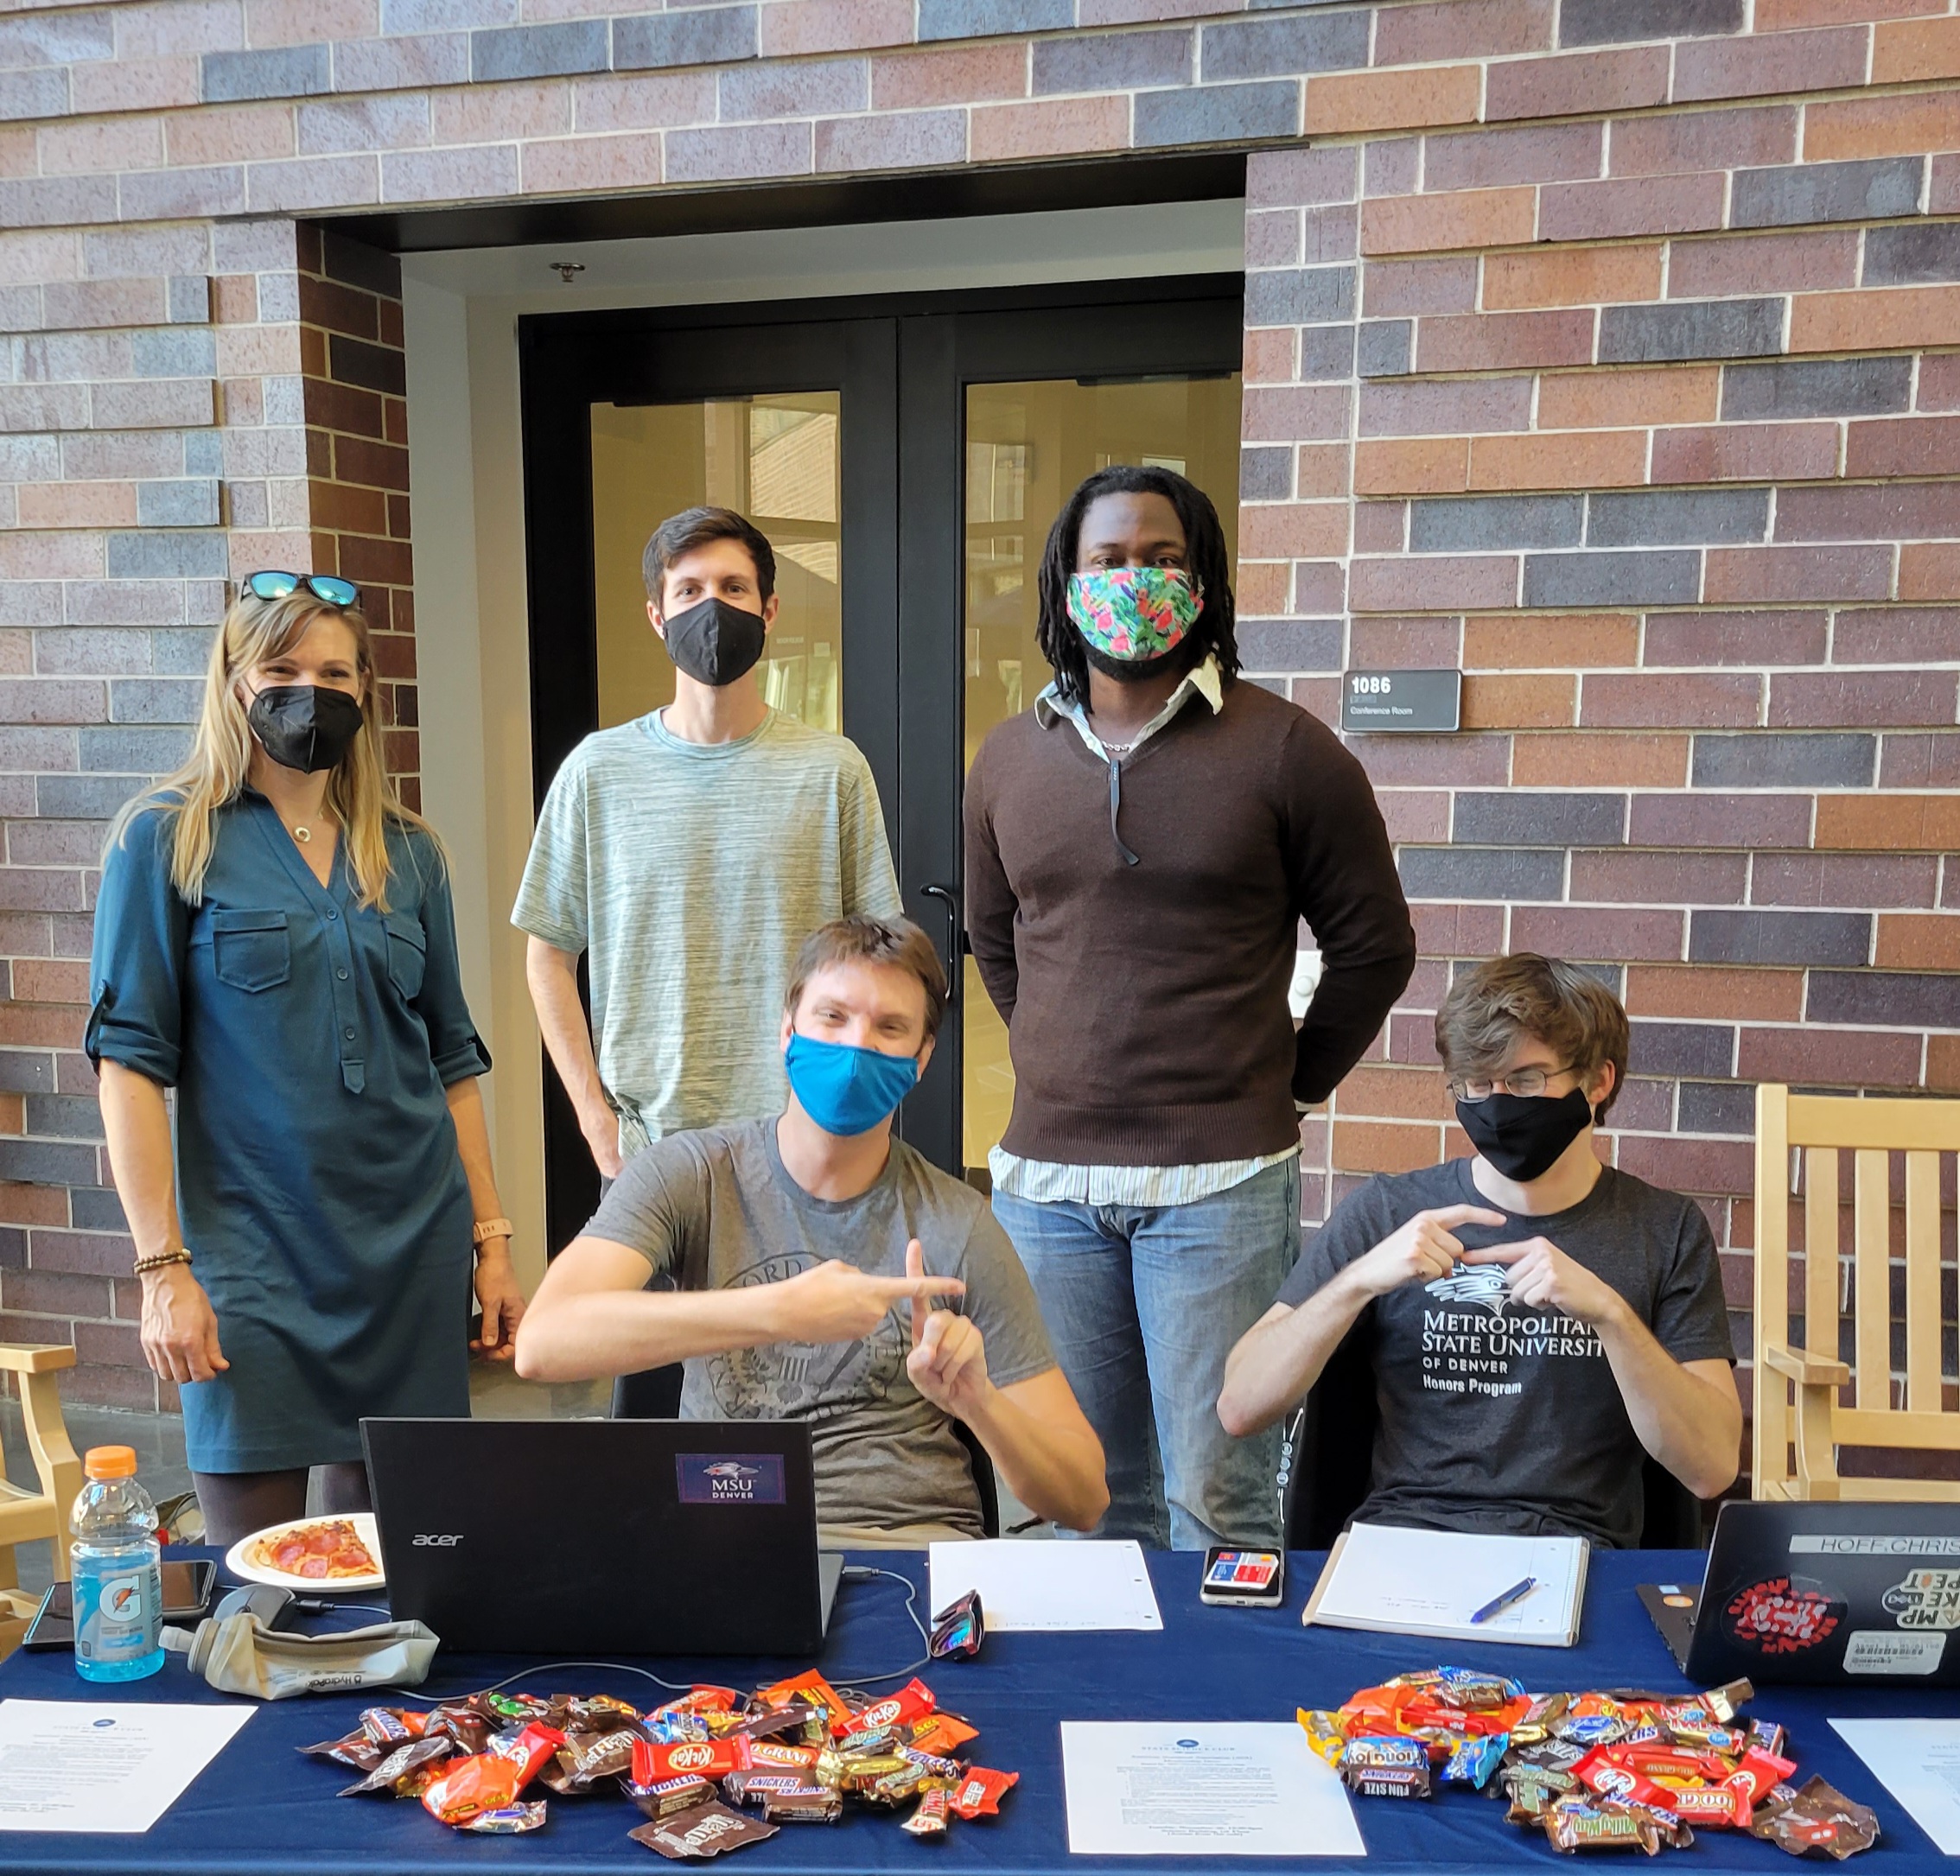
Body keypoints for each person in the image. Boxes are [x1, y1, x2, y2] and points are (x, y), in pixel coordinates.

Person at [964, 464, 1415, 1552]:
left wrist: (1289, 1080)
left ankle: (1220, 1724)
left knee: (1218, 1498)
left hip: (1220, 1187)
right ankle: (1098, 1715)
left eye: (1162, 559)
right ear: (1066, 585)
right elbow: (994, 938)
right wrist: (1059, 1056)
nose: (1135, 580)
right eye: (1108, 560)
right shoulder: (1008, 758)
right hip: (1048, 1188)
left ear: (1203, 581)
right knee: (1082, 1500)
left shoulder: (1287, 749)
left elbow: (1375, 946)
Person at [89, 572, 525, 1546]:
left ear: (365, 690)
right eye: (281, 667)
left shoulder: (411, 852)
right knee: (265, 1582)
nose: (309, 690)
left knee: (397, 1578)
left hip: (410, 1243)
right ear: (235, 682)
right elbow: (128, 1066)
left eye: (334, 671)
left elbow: (452, 1055)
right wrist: (162, 1268)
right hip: (251, 1254)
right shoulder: (165, 838)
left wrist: (492, 1239)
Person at [515, 915, 1108, 1545]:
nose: (857, 1048)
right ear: (788, 1030)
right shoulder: (691, 1175)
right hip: (724, 1533)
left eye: (890, 1028)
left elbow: (1084, 1499)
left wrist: (979, 1402)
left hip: (903, 1544)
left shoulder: (957, 1222)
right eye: (833, 1017)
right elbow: (543, 1343)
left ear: (921, 1059)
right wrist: (779, 1310)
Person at [1217, 954, 1742, 1548]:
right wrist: (1358, 1281)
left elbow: (1713, 1466)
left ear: (1598, 1081)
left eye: (1524, 1080)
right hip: (1402, 1544)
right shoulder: (1387, 1213)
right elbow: (1239, 1406)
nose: (1496, 1102)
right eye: (1476, 1082)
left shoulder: (1663, 1229)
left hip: (1575, 1556)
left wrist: (1612, 1316)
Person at [514, 506, 902, 1183]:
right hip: (649, 1152)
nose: (712, 607)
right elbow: (548, 955)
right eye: (689, 590)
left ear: (769, 609)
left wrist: (856, 1104)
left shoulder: (833, 770)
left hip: (804, 1142)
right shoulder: (595, 772)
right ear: (658, 617)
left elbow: (882, 955)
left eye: (733, 588)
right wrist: (594, 1119)